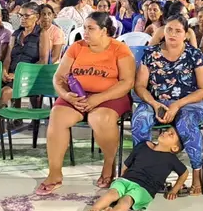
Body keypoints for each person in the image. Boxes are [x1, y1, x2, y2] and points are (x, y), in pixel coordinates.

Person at [38, 12, 135, 194]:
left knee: (100, 119)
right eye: (84, 28)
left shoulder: (120, 49)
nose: (85, 32)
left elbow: (127, 82)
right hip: (76, 95)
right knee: (57, 116)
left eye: (91, 28)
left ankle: (108, 164)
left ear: (104, 31)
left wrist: (98, 98)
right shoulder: (76, 47)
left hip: (110, 95)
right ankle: (54, 173)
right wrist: (66, 95)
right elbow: (58, 77)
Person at [133, 15, 203, 195]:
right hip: (157, 102)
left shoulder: (194, 55)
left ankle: (196, 176)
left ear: (185, 35)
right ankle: (143, 172)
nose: (173, 34)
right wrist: (154, 104)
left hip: (189, 103)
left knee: (187, 125)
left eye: (178, 31)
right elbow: (139, 86)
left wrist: (177, 105)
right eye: (169, 29)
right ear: (163, 31)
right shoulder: (150, 53)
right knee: (140, 120)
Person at [84, 126, 188, 211]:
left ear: (174, 148)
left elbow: (184, 173)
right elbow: (127, 164)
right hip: (126, 180)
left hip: (145, 188)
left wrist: (174, 190)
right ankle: (94, 210)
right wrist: (121, 178)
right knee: (112, 192)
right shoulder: (143, 146)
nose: (165, 132)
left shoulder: (171, 159)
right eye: (167, 130)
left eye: (171, 134)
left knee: (127, 200)